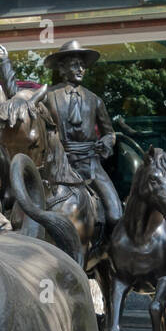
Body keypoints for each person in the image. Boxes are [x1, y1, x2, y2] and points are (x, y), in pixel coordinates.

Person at [39, 40, 124, 233]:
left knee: (115, 214)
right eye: (75, 64)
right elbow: (22, 103)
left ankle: (107, 255)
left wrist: (107, 142)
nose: (81, 68)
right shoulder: (48, 96)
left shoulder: (95, 100)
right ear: (62, 68)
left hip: (90, 163)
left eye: (83, 65)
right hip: (59, 164)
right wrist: (4, 65)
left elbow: (109, 132)